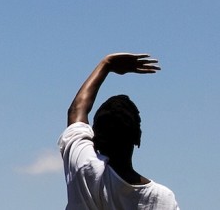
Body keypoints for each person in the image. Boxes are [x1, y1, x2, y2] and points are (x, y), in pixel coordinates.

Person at [59, 53, 179, 209]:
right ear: (138, 138)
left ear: (95, 136)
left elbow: (76, 110)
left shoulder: (84, 168)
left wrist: (107, 64)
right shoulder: (162, 199)